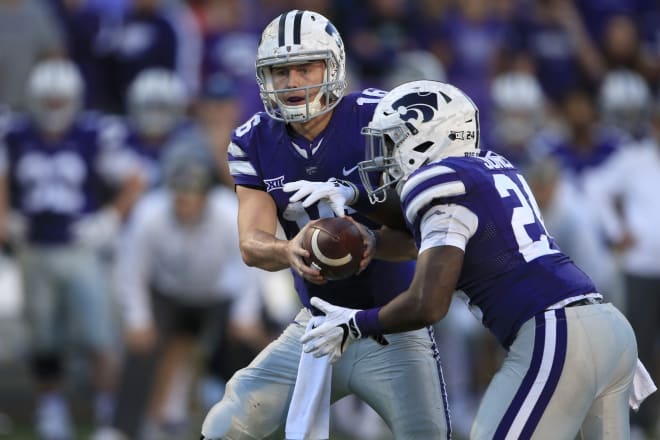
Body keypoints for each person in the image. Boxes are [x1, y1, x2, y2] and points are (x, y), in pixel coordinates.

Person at [301, 80, 654, 439]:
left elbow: (428, 303)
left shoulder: (440, 186)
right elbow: (424, 243)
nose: (387, 155)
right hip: (606, 328)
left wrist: (357, 322)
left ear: (428, 137)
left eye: (394, 140)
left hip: (558, 332)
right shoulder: (489, 168)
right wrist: (358, 203)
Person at [201, 10, 451, 440]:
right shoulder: (252, 139)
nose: (293, 81)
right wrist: (287, 249)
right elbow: (251, 244)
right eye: (280, 71)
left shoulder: (381, 120)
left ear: (333, 65)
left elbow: (424, 237)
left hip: (392, 325)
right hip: (316, 327)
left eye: (305, 67)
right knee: (227, 423)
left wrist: (372, 237)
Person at [0, 59, 142, 440]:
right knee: (43, 337)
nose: (53, 109)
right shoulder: (16, 133)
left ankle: (108, 413)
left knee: (99, 336)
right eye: (47, 101)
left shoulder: (93, 133)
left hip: (81, 249)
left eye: (59, 101)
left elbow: (134, 179)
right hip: (33, 248)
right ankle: (52, 409)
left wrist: (108, 220)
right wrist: (6, 217)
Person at [96, 148, 271, 440]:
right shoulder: (149, 213)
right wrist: (138, 320)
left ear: (205, 195)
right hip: (168, 295)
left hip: (218, 295)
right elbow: (132, 270)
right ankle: (122, 429)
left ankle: (244, 427)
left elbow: (249, 268)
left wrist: (244, 315)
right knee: (140, 349)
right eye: (179, 195)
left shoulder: (228, 212)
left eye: (191, 195)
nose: (184, 203)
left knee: (243, 349)